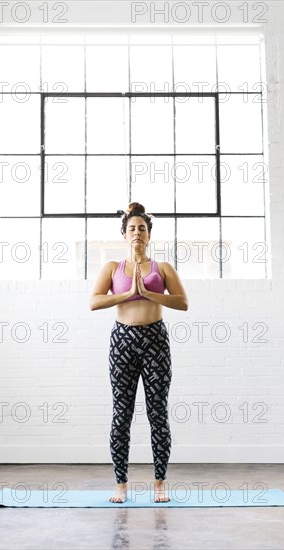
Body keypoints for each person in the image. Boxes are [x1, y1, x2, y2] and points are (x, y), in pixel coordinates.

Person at [89, 202, 189, 503]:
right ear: (124, 234)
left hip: (155, 340)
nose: (137, 233)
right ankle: (121, 484)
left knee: (158, 413)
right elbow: (94, 302)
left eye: (142, 228)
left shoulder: (163, 268)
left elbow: (182, 303)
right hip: (123, 341)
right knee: (122, 413)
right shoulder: (112, 268)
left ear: (149, 234)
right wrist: (128, 293)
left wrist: (148, 293)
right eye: (131, 228)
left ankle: (160, 483)